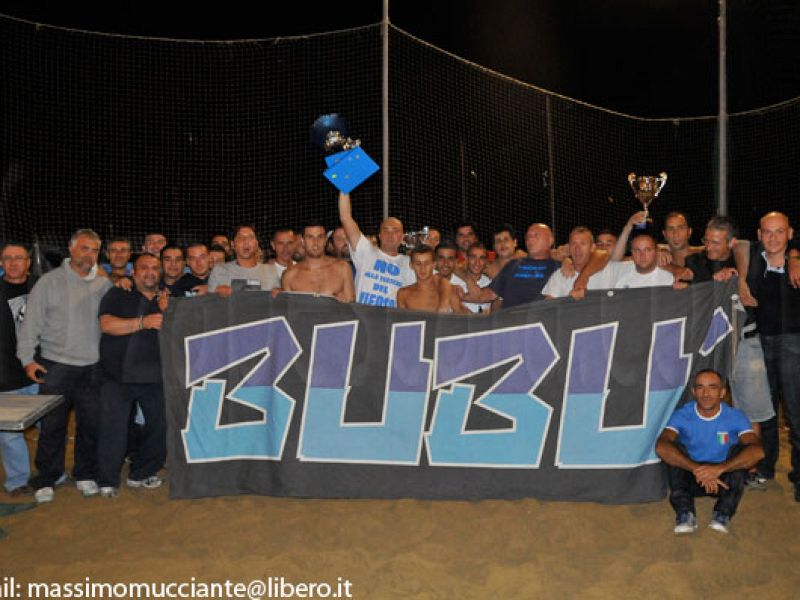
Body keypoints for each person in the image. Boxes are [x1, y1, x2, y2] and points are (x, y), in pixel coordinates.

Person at [676, 216, 775, 490]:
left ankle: (752, 469)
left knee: (751, 408)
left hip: (744, 341)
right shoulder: (696, 262)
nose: (709, 246)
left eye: (716, 242)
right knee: (703, 400)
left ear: (730, 242)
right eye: (706, 240)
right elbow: (685, 276)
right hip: (709, 344)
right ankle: (699, 460)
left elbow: (745, 245)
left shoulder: (746, 258)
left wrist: (739, 278)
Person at [17, 229, 112, 503]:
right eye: (84, 248)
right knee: (53, 426)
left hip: (93, 367)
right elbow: (30, 325)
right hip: (55, 367)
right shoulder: (49, 282)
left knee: (90, 425)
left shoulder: (104, 284)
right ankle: (46, 478)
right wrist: (27, 360)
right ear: (71, 250)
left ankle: (85, 474)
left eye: (94, 250)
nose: (89, 255)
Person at [655, 369, 764, 534]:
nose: (706, 393)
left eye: (712, 387)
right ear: (694, 392)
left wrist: (718, 469)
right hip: (693, 475)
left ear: (722, 392)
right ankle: (685, 513)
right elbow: (661, 446)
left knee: (742, 451)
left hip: (723, 478)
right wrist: (697, 470)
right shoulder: (683, 414)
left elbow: (757, 452)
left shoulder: (735, 416)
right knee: (673, 450)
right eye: (700, 387)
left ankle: (722, 513)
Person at [95, 253, 167, 497]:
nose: (150, 272)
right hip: (117, 376)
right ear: (133, 273)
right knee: (113, 429)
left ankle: (142, 473)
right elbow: (106, 325)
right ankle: (107, 479)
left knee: (159, 427)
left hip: (155, 377)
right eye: (144, 268)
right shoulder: (118, 293)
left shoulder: (167, 298)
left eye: (155, 268)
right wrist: (143, 322)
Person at [744, 211, 800, 500]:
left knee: (796, 410)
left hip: (794, 344)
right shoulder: (750, 259)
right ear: (759, 235)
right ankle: (765, 468)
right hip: (760, 342)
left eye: (780, 231)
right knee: (764, 410)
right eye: (768, 232)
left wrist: (795, 256)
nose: (773, 237)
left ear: (790, 234)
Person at [0, 243, 38, 496]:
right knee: (9, 432)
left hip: (39, 371)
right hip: (5, 374)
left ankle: (52, 473)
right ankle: (17, 480)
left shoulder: (41, 286)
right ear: (1, 263)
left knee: (50, 427)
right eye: (7, 258)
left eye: (19, 258)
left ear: (28, 262)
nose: (13, 263)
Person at [338, 191, 414, 307]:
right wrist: (344, 187)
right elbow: (346, 218)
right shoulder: (365, 251)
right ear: (380, 235)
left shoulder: (411, 263)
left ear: (402, 237)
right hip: (362, 317)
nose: (390, 235)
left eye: (395, 231)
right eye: (386, 230)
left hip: (390, 320)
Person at [461, 223, 560, 309]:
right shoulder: (513, 265)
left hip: (540, 322)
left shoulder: (560, 267)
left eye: (536, 235)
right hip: (511, 323)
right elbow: (487, 295)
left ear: (550, 240)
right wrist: (459, 296)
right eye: (528, 236)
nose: (530, 239)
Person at [281, 223, 355, 302]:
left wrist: (344, 304)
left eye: (320, 237)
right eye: (310, 237)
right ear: (303, 241)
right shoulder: (290, 276)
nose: (315, 243)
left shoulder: (342, 268)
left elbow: (351, 304)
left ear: (325, 239)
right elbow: (289, 311)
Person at [541, 227, 614, 298]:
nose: (577, 248)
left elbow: (604, 254)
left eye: (583, 243)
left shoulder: (608, 271)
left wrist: (583, 277)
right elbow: (549, 306)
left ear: (592, 247)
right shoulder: (559, 275)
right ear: (569, 248)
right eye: (574, 243)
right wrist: (570, 301)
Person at [208, 225, 280, 296]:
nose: (246, 241)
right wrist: (216, 295)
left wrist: (280, 294)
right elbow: (209, 304)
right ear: (233, 244)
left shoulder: (271, 271)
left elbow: (278, 304)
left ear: (256, 244)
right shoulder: (219, 271)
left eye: (250, 237)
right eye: (240, 237)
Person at [397, 246, 466, 313]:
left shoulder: (446, 290)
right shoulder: (403, 294)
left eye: (427, 263)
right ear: (411, 265)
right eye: (418, 264)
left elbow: (465, 319)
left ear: (434, 264)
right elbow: (400, 322)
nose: (422, 268)